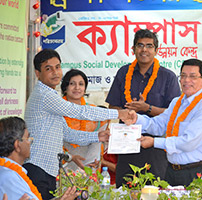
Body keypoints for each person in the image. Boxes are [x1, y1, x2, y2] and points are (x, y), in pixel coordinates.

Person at [24, 49, 135, 199]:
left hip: (48, 169)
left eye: (57, 67)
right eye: (48, 68)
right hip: (39, 167)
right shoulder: (44, 96)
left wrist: (98, 136)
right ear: (37, 73)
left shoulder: (51, 96)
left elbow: (68, 133)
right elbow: (78, 111)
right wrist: (118, 113)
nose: (55, 72)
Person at [106, 29, 181, 187]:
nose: (144, 50)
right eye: (140, 45)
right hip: (126, 142)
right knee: (125, 189)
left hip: (155, 145)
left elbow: (174, 114)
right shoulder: (123, 73)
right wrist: (126, 114)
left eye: (149, 46)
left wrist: (147, 108)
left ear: (156, 50)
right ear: (133, 49)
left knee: (155, 189)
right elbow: (112, 105)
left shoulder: (168, 77)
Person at [136, 58, 202, 186]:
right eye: (183, 76)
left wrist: (154, 142)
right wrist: (136, 119)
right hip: (171, 171)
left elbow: (188, 142)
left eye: (193, 76)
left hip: (197, 172)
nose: (186, 80)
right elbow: (159, 125)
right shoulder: (176, 102)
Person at [0, 117, 79, 200]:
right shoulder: (9, 178)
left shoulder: (7, 172)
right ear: (17, 145)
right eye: (27, 138)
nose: (30, 143)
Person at [61, 69, 106, 170]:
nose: (77, 88)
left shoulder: (93, 111)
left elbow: (100, 139)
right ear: (65, 88)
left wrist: (96, 159)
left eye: (81, 84)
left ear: (85, 89)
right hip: (64, 164)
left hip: (88, 165)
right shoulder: (58, 112)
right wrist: (68, 157)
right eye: (72, 84)